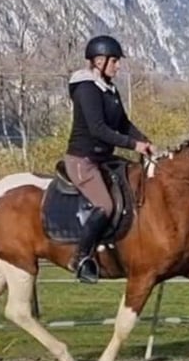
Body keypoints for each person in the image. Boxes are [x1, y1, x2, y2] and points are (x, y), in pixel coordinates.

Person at [63, 35, 155, 284]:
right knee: (105, 205)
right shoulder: (86, 89)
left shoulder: (109, 89)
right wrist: (133, 145)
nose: (118, 66)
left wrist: (145, 141)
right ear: (99, 61)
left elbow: (123, 124)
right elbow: (98, 129)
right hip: (83, 160)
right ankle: (80, 257)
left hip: (104, 158)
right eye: (114, 61)